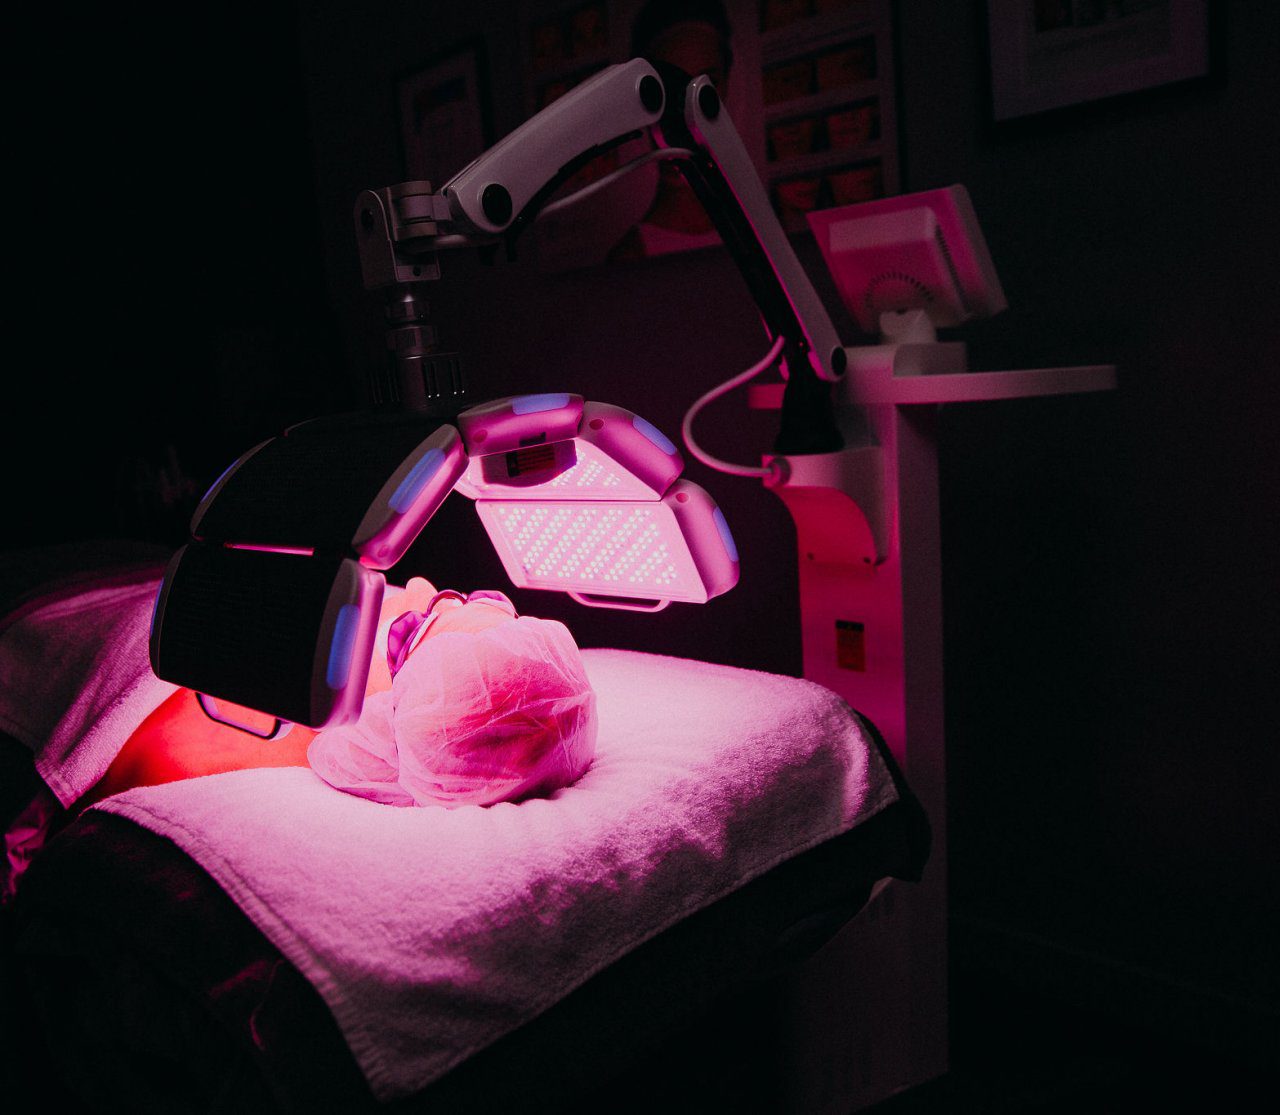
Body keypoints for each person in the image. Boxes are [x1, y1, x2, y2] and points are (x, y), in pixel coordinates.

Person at [75, 578, 597, 811]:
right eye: (477, 598)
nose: (414, 583)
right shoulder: (424, 693)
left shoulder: (209, 732)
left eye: (407, 631)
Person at [608, 0, 735, 261]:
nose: (687, 113)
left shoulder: (751, 232)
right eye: (668, 90)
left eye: (705, 87)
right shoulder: (631, 256)